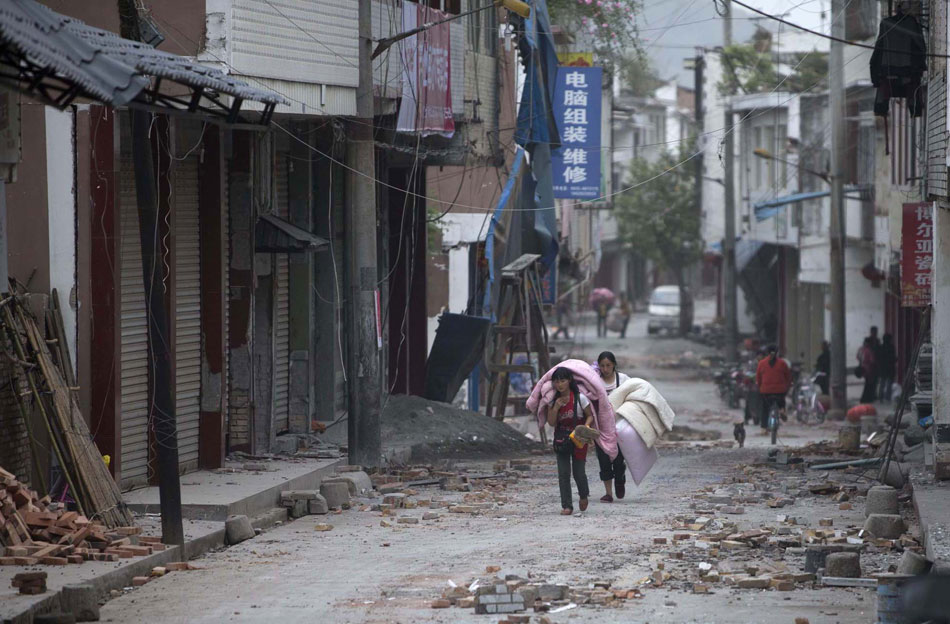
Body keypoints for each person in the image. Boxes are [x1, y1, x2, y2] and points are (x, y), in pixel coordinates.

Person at [546, 367, 594, 515]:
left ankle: (583, 494)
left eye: (563, 381)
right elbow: (551, 422)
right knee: (563, 473)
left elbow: (590, 415)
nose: (560, 385)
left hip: (578, 439)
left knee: (579, 472)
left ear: (569, 381)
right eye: (557, 381)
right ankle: (567, 505)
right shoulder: (553, 401)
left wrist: (585, 428)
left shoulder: (580, 398)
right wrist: (555, 408)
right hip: (561, 440)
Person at [595, 352, 629, 503]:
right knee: (603, 461)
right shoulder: (595, 381)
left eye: (608, 365)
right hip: (601, 430)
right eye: (602, 366)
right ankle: (608, 493)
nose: (605, 369)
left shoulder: (623, 380)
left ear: (614, 364)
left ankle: (620, 479)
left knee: (618, 461)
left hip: (620, 428)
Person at [756, 344, 792, 433]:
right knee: (782, 400)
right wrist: (787, 386)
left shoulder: (761, 363)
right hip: (780, 390)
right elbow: (788, 377)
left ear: (767, 352)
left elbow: (758, 379)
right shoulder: (783, 363)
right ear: (777, 352)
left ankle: (763, 428)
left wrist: (760, 387)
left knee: (765, 408)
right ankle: (782, 410)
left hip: (766, 391)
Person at [858, 337, 878, 403]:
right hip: (869, 369)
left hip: (863, 368)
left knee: (867, 383)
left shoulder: (861, 349)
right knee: (869, 384)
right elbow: (873, 361)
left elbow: (858, 357)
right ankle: (866, 398)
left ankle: (864, 398)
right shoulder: (869, 350)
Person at [878, 333, 896, 401]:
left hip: (883, 368)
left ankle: (880, 397)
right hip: (890, 367)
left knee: (882, 383)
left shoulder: (881, 347)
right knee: (889, 383)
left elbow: (879, 358)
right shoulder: (891, 347)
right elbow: (892, 357)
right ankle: (887, 397)